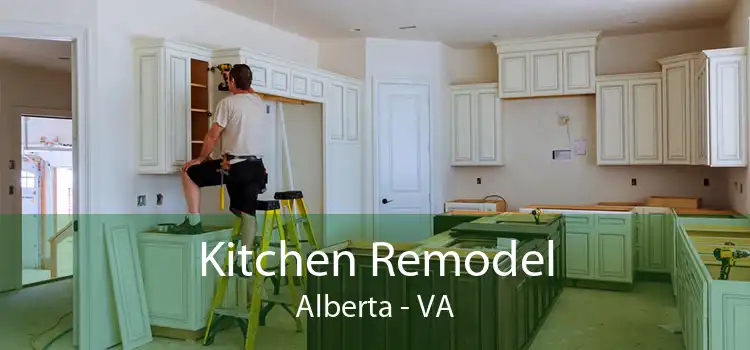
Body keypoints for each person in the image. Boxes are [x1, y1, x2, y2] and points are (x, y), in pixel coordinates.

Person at [172, 64, 267, 256]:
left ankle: (193, 223)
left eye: (229, 80)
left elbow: (212, 136)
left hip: (233, 166)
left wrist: (201, 158)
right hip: (257, 168)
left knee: (189, 173)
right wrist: (235, 77)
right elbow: (248, 89)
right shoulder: (258, 101)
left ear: (231, 81)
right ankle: (244, 261)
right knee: (248, 213)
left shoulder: (227, 103)